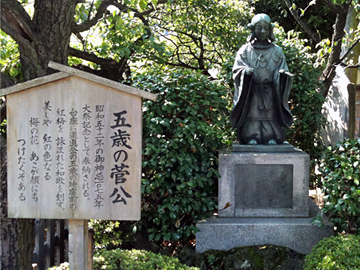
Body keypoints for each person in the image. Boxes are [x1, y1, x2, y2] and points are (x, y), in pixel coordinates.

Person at [230, 14, 293, 145]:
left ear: (270, 30)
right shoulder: (245, 50)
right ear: (253, 30)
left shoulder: (277, 51)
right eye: (259, 28)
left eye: (266, 28)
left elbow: (284, 70)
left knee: (271, 116)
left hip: (270, 91)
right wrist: (244, 73)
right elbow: (236, 70)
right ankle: (251, 136)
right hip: (252, 91)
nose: (263, 31)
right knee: (252, 115)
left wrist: (280, 75)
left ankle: (272, 137)